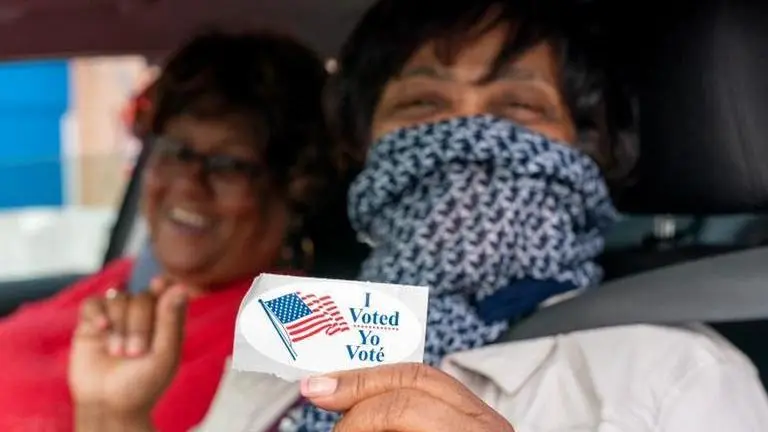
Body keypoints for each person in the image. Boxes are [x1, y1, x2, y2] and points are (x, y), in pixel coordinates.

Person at [76, 1, 768, 431]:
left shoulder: (677, 377)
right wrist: (113, 415)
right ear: (363, 145)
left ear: (587, 150)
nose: (465, 141)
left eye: (518, 109)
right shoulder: (307, 324)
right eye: (422, 108)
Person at [0, 30, 341, 432]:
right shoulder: (124, 281)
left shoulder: (305, 321)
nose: (188, 182)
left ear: (296, 185)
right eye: (176, 150)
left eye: (228, 164)